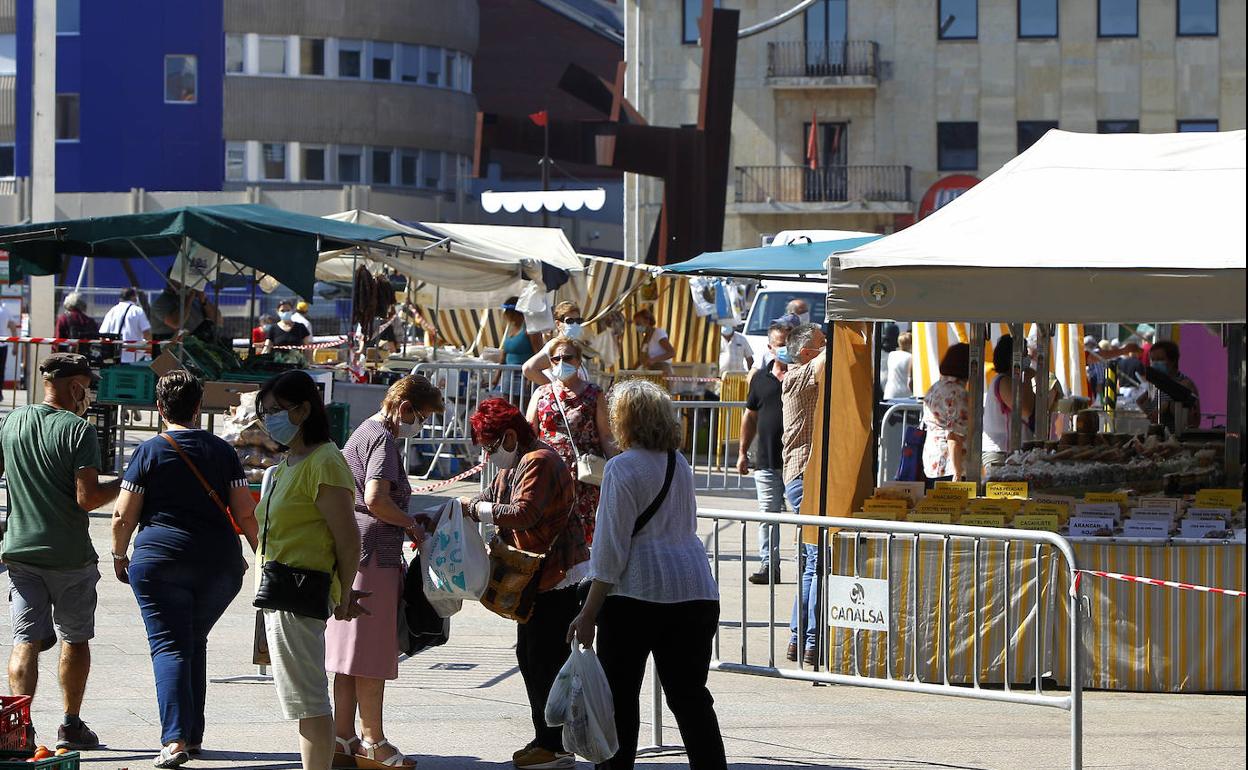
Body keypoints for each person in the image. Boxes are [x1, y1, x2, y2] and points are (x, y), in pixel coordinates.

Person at [567, 380, 725, 770]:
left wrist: (588, 613)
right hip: (693, 590)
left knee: (621, 698)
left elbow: (609, 550)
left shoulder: (622, 467)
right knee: (690, 697)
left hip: (636, 594)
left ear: (625, 420)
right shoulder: (679, 463)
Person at [109, 371, 260, 768]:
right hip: (219, 567)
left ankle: (174, 740)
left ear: (160, 408)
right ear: (198, 407)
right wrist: (261, 556)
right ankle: (192, 736)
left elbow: (123, 516)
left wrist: (119, 556)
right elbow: (245, 512)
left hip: (160, 562)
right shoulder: (222, 451)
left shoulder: (149, 452)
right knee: (194, 640)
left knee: (170, 645)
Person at [0, 353, 121, 750]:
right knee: (74, 638)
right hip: (69, 555)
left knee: (24, 641)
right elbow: (87, 498)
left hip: (20, 552)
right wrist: (126, 482)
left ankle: (21, 729)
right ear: (74, 387)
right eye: (87, 386)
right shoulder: (77, 430)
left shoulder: (12, 420)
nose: (88, 394)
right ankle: (70, 724)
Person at [459, 399, 588, 770]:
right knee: (531, 659)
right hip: (540, 578)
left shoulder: (540, 461)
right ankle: (546, 740)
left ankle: (555, 746)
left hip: (559, 577)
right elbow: (493, 497)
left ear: (510, 436)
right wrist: (452, 510)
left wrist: (475, 510)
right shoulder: (519, 460)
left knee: (545, 662)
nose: (489, 455)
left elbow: (522, 513)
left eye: (489, 447)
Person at [254, 371, 369, 770]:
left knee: (310, 702)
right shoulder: (290, 462)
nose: (269, 419)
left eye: (276, 411)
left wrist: (345, 592)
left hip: (298, 592)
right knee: (303, 701)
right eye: (264, 412)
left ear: (304, 409)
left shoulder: (324, 461)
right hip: (278, 592)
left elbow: (348, 538)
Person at [328, 375, 443, 769]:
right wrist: (410, 524)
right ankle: (373, 741)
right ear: (405, 407)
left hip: (352, 552)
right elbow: (377, 498)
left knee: (347, 656)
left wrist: (407, 517)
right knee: (371, 655)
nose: (420, 426)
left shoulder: (361, 431)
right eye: (422, 417)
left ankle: (341, 739)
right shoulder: (383, 440)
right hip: (376, 555)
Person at [525, 336, 615, 544]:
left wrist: (615, 469)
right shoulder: (541, 393)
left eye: (567, 357)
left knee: (582, 536)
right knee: (549, 531)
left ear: (579, 361)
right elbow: (529, 433)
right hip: (548, 475)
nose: (561, 362)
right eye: (556, 359)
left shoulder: (594, 393)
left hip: (583, 478)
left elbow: (606, 435)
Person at [779, 322, 825, 666]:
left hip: (806, 476)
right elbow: (826, 361)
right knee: (814, 562)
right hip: (803, 476)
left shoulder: (805, 372)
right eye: (821, 345)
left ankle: (800, 638)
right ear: (808, 353)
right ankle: (808, 640)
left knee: (811, 562)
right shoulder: (797, 377)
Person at [738, 322, 790, 585]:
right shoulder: (760, 379)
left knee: (805, 517)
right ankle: (769, 566)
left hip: (798, 462)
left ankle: (810, 565)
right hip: (767, 460)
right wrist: (742, 452)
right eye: (780, 344)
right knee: (767, 516)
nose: (785, 349)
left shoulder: (805, 375)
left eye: (789, 343)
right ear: (770, 347)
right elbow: (750, 416)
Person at [981, 334, 1036, 468]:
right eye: (1024, 354)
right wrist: (1027, 378)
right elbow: (1025, 410)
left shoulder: (1010, 381)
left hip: (1012, 451)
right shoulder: (1004, 381)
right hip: (1000, 453)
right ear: (1012, 357)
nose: (1027, 358)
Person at [921, 343, 971, 484]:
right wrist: (957, 472)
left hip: (933, 461)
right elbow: (954, 435)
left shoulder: (936, 387)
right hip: (950, 466)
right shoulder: (957, 394)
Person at [1138, 339, 1201, 431]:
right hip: (1160, 437)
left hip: (1179, 438)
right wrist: (1149, 411)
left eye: (1160, 359)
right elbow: (1145, 405)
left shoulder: (1185, 384)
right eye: (1153, 360)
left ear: (1173, 361)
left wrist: (1167, 406)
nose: (1155, 363)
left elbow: (1193, 421)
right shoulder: (1156, 384)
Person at [520, 301, 588, 385]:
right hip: (560, 397)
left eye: (578, 321)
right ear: (558, 324)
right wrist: (553, 389)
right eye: (570, 321)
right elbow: (528, 369)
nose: (575, 324)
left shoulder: (573, 345)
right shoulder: (555, 346)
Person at [498, 297, 543, 396]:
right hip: (508, 375)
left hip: (524, 376)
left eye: (507, 312)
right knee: (507, 407)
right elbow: (504, 355)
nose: (505, 315)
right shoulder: (510, 329)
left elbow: (538, 354)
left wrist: (531, 378)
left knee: (523, 406)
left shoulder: (531, 329)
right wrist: (496, 378)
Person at [150, 283, 222, 341]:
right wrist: (189, 299)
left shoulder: (196, 301)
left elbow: (218, 321)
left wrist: (204, 301)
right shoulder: (161, 302)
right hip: (168, 348)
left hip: (196, 343)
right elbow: (176, 323)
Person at [99, 288, 153, 364]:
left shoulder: (112, 311)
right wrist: (150, 350)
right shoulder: (137, 311)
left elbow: (102, 334)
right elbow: (147, 333)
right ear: (133, 297)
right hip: (135, 357)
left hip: (114, 357)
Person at [633, 308, 675, 372]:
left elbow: (672, 352)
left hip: (662, 371)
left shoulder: (658, 333)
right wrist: (631, 371)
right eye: (636, 324)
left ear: (647, 321)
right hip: (650, 371)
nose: (637, 327)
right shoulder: (645, 337)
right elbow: (641, 359)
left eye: (638, 324)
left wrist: (654, 360)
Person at [882, 331, 914, 400]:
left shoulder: (891, 355)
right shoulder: (911, 357)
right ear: (910, 344)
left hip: (890, 394)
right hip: (905, 396)